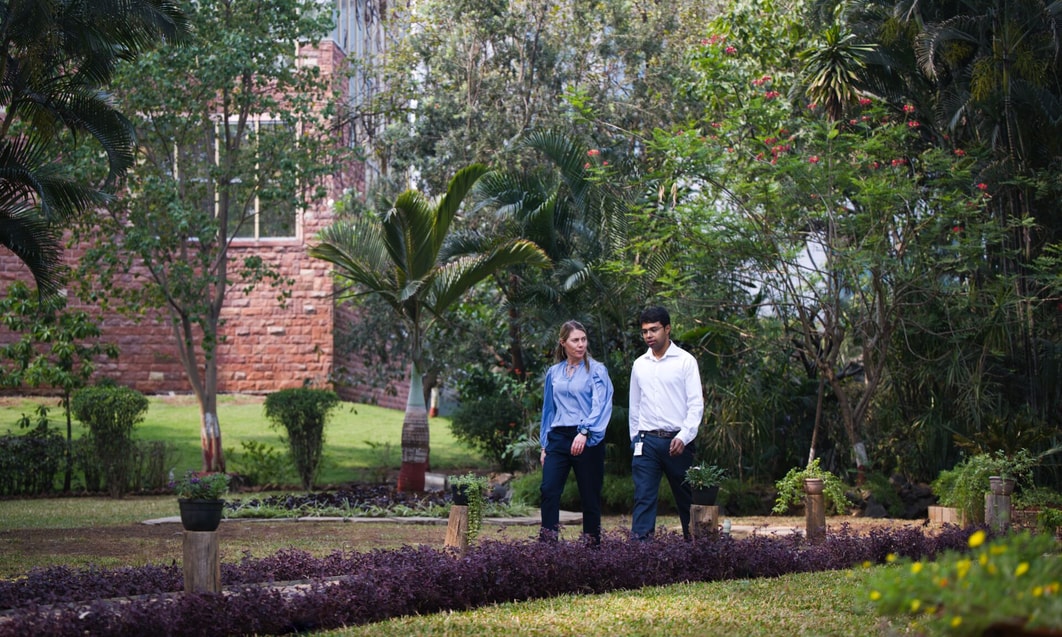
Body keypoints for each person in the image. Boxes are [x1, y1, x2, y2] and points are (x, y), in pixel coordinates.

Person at [628, 306, 704, 540]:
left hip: (677, 442)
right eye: (644, 332)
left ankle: (696, 550)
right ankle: (640, 555)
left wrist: (684, 436)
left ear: (667, 329)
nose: (648, 336)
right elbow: (635, 405)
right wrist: (635, 440)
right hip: (646, 442)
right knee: (644, 497)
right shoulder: (640, 364)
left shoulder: (685, 361)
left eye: (654, 330)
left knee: (686, 499)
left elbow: (695, 404)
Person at [540, 320, 614, 543]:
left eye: (583, 339)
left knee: (590, 496)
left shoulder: (597, 370)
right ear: (563, 343)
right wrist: (545, 444)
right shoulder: (554, 373)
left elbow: (600, 405)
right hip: (559, 437)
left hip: (587, 438)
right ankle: (547, 545)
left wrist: (584, 432)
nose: (581, 344)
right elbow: (548, 410)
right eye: (575, 340)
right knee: (549, 490)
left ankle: (592, 546)